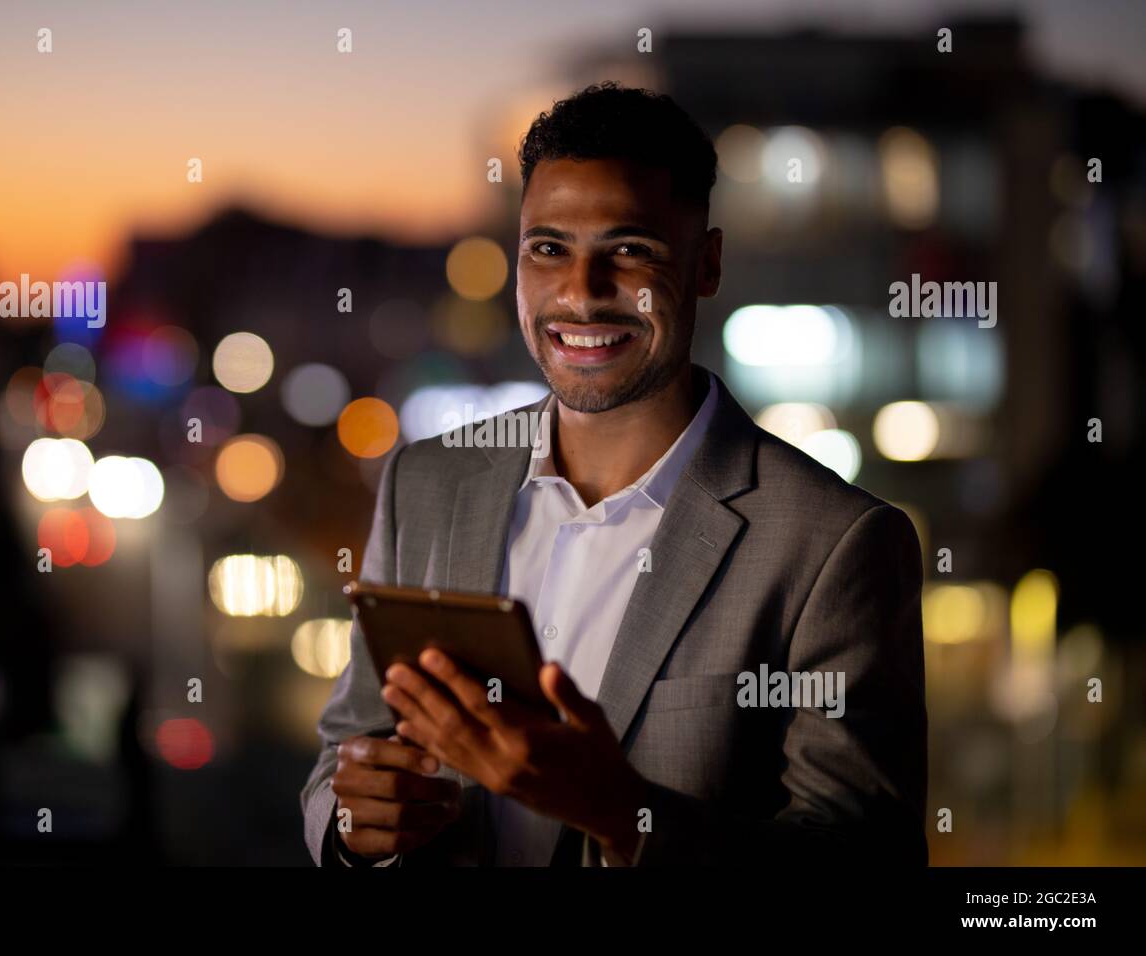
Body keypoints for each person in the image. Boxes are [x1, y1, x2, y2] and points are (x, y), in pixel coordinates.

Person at [300, 82, 927, 867]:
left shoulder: (835, 545)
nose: (582, 294)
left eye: (629, 250)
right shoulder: (426, 482)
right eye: (548, 248)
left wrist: (620, 811)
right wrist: (357, 824)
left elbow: (866, 858)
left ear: (706, 265)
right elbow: (348, 743)